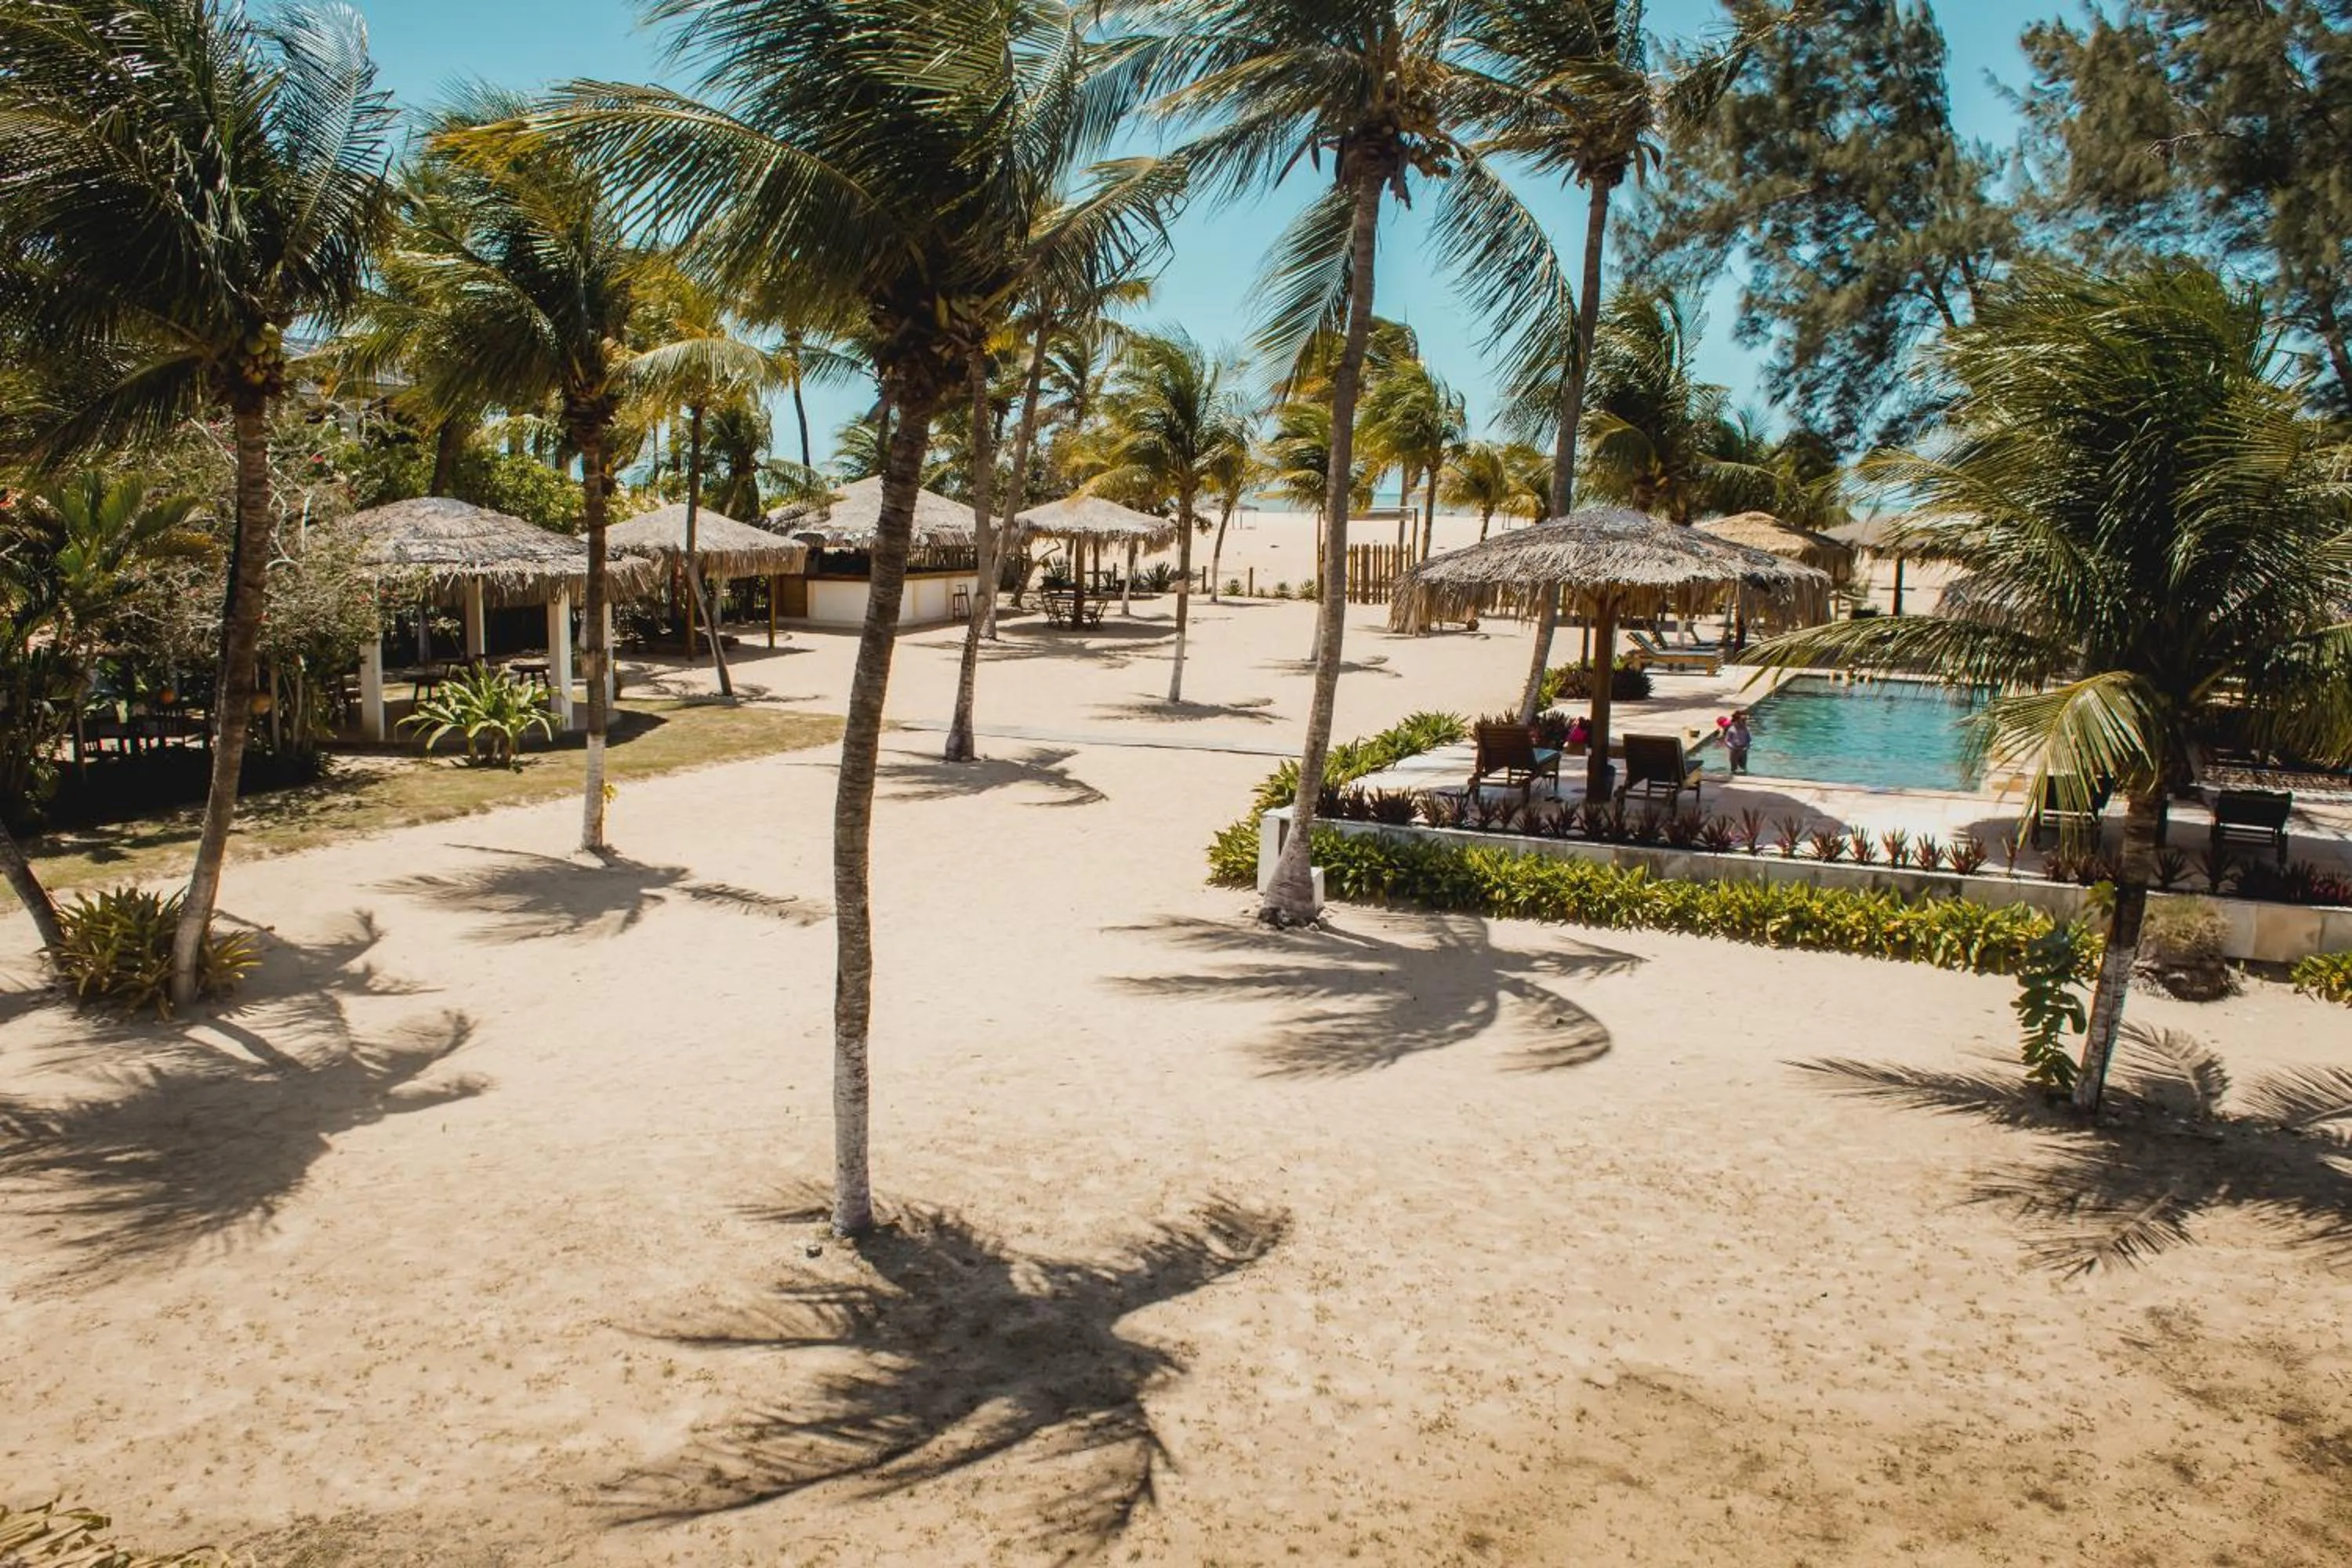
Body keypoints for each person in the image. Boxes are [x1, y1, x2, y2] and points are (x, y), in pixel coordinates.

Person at [1720, 709, 1752, 775]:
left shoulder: (1746, 729)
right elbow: (1727, 741)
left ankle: (1744, 776)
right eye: (1743, 721)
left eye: (1745, 721)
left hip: (1743, 750)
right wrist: (1732, 747)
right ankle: (1733, 774)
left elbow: (1749, 739)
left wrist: (1748, 746)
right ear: (1737, 720)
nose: (1744, 722)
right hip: (1734, 751)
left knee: (1743, 767)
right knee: (1734, 768)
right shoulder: (1732, 729)